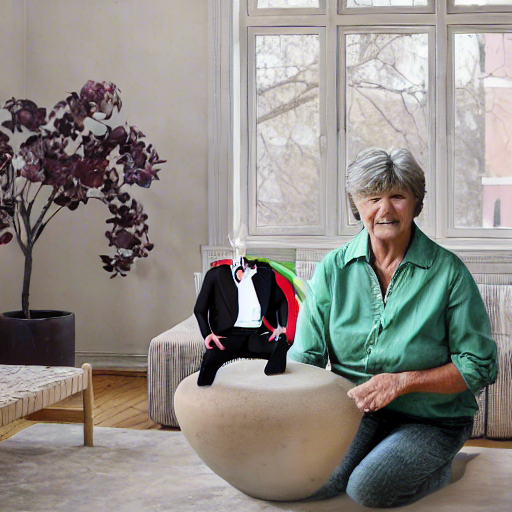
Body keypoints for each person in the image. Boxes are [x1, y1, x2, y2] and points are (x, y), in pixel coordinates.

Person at [287, 147, 497, 508]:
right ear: (357, 205)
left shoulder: (449, 273)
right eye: (373, 198)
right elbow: (306, 356)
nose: (384, 210)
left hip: (432, 418)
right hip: (357, 412)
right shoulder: (333, 269)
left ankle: (447, 468)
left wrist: (401, 382)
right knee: (313, 479)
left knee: (367, 489)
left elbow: (479, 366)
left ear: (415, 203)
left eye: (397, 196)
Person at [194, 255, 289, 386]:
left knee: (281, 343)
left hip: (256, 336)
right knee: (205, 376)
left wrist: (281, 326)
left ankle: (269, 388)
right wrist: (207, 334)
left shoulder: (265, 274)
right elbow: (199, 309)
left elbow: (281, 300)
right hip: (227, 337)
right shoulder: (216, 274)